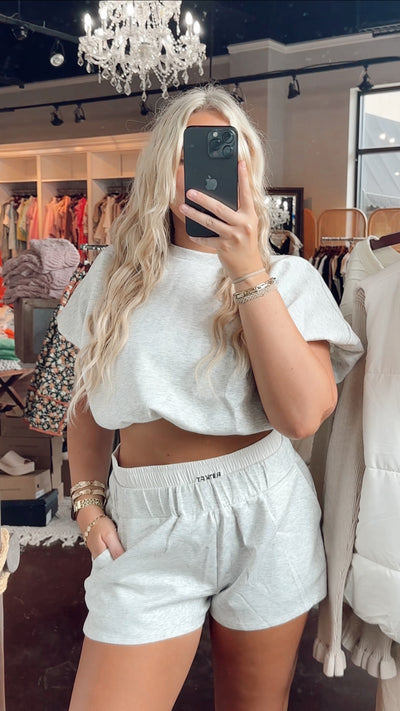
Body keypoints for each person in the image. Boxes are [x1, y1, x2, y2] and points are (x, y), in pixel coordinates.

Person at [57, 85, 363, 711]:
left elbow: (303, 416)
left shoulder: (289, 278)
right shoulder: (112, 277)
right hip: (146, 521)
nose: (207, 173)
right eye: (188, 155)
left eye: (228, 154)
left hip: (266, 512)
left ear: (249, 172)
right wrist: (87, 505)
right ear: (161, 171)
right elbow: (87, 401)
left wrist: (248, 269)